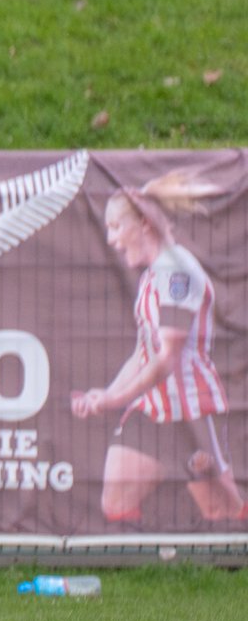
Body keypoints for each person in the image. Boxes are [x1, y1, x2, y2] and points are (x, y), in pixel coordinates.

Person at [70, 171, 245, 525]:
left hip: (190, 411)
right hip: (153, 407)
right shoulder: (153, 275)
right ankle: (146, 566)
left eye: (117, 227)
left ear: (145, 225)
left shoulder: (176, 273)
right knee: (114, 503)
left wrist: (114, 400)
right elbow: (143, 352)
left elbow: (167, 357)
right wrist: (106, 393)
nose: (112, 239)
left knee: (223, 514)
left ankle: (196, 564)